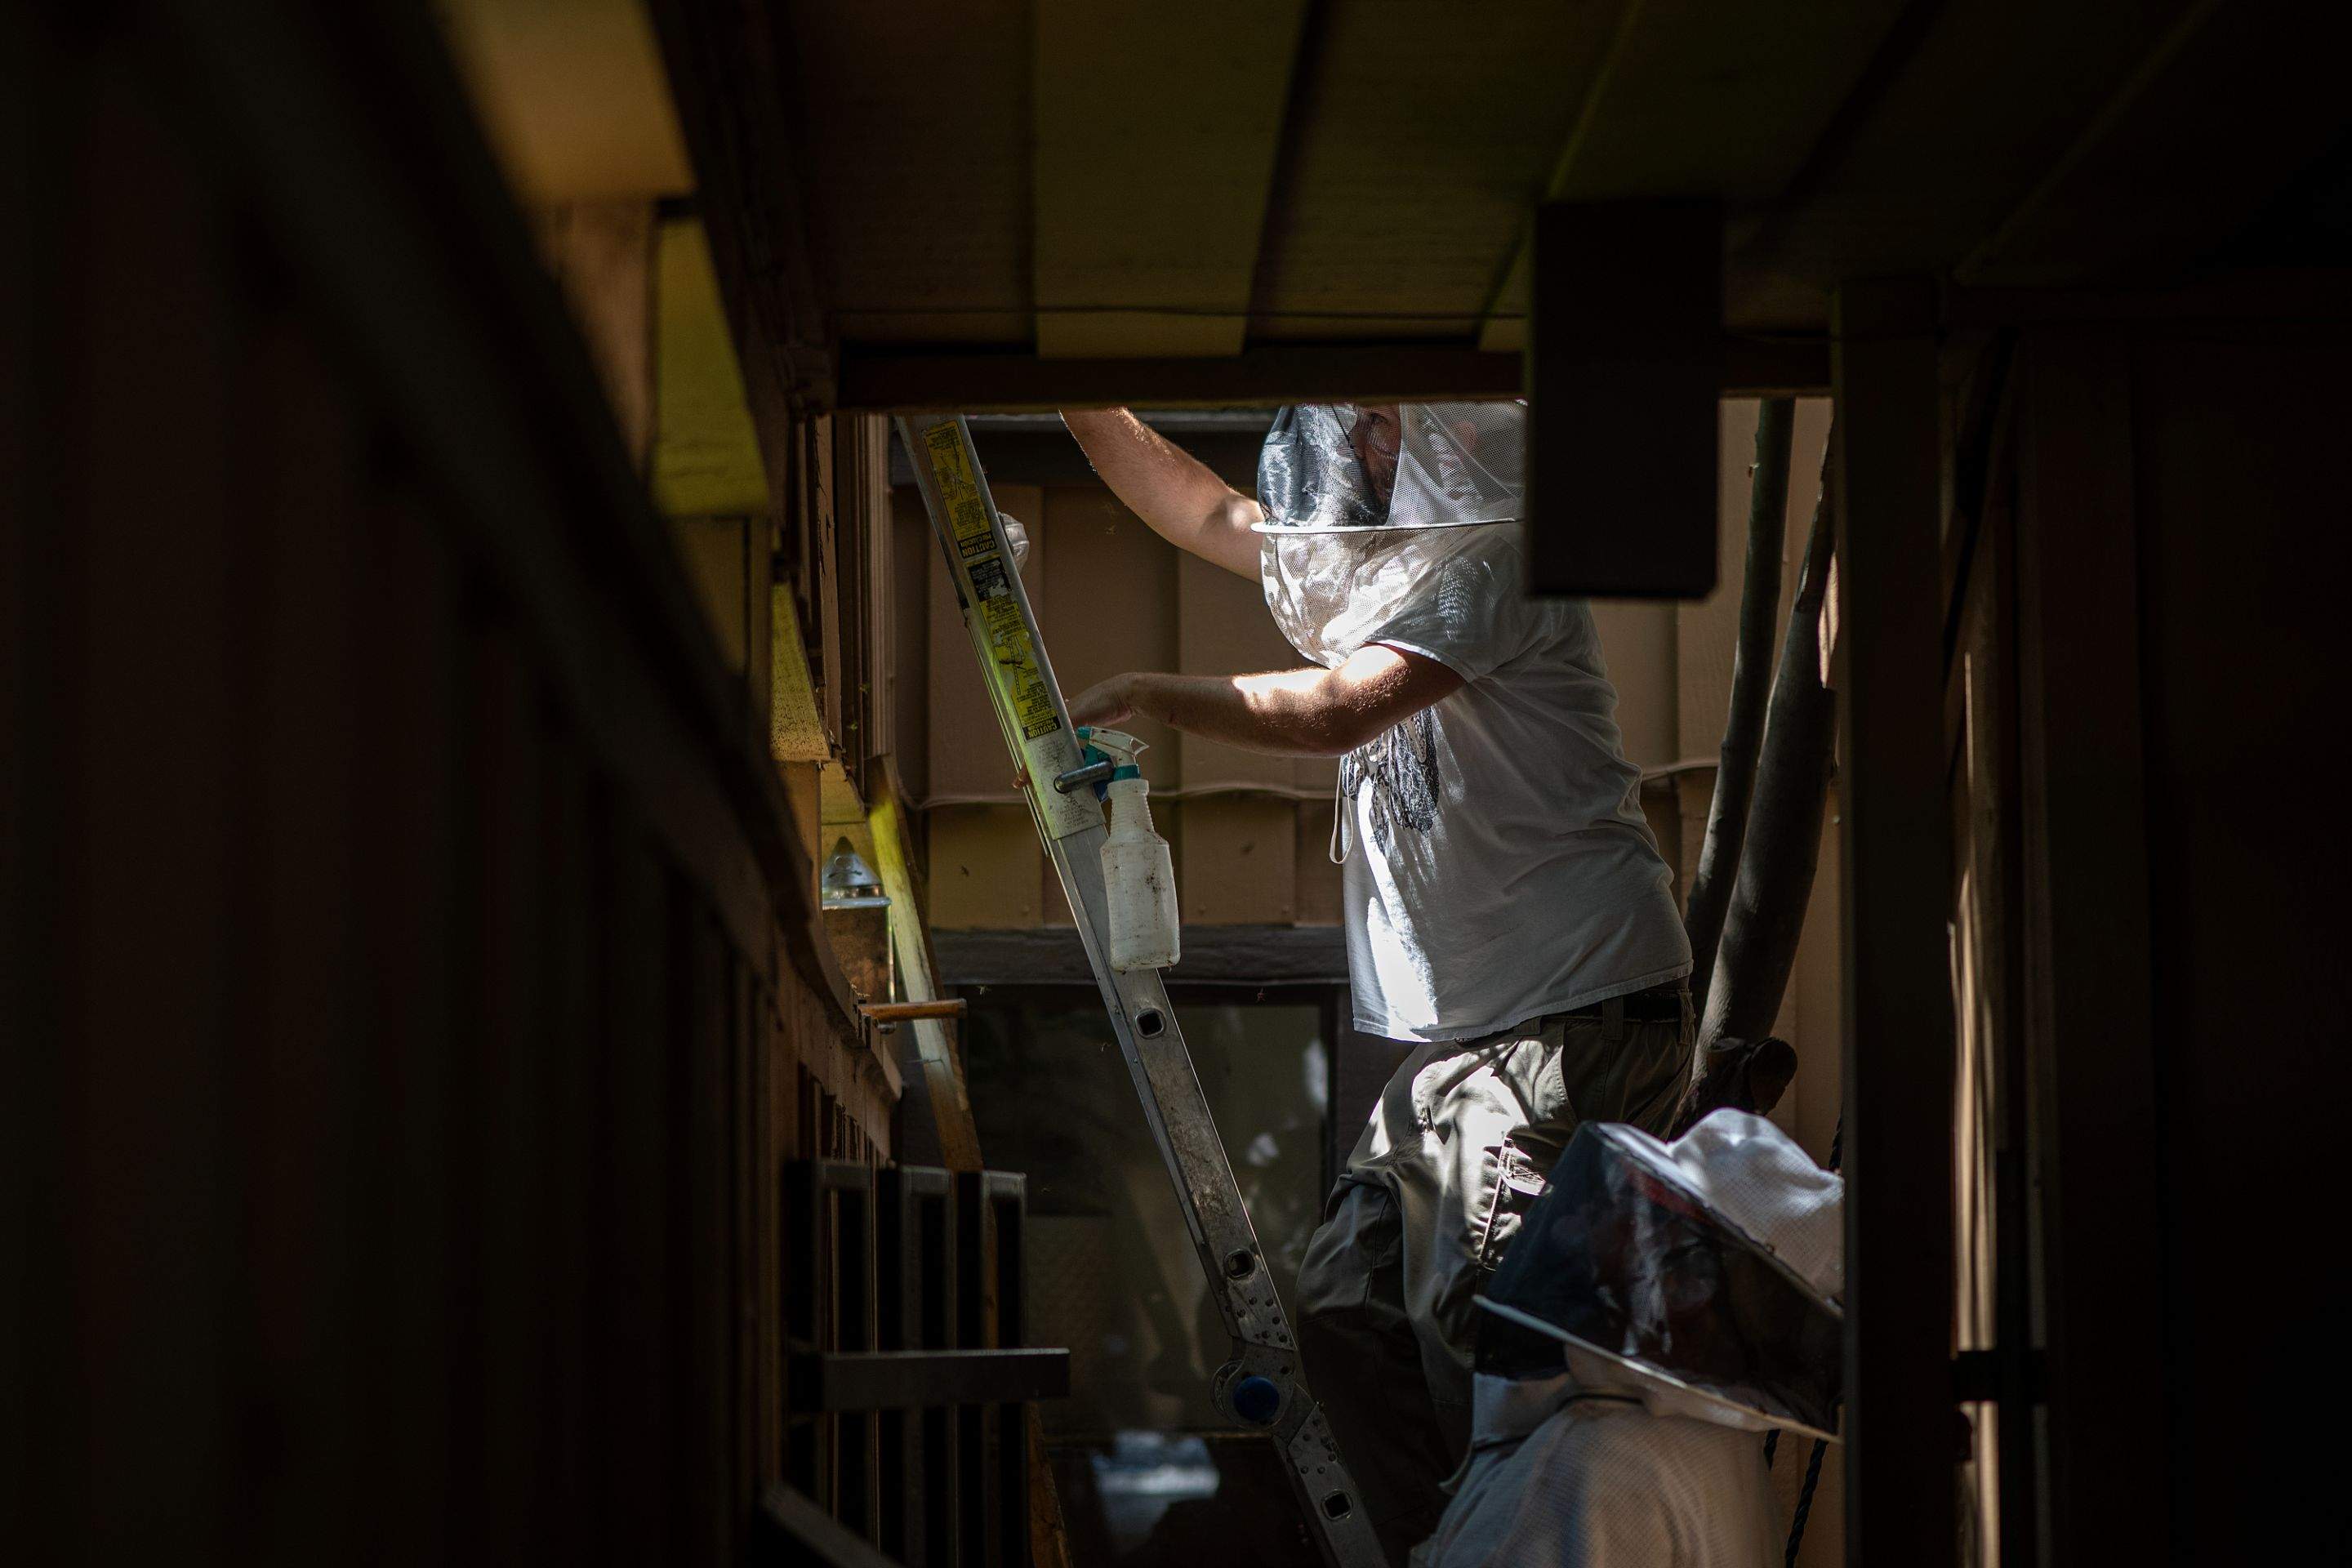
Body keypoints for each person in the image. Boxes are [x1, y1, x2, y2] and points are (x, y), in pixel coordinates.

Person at [1060, 403, 1695, 1562]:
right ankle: (1435, 1547)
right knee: (1349, 1311)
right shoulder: (1373, 572)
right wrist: (1083, 399)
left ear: (1431, 444)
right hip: (1467, 1043)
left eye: (1380, 422)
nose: (1355, 438)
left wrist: (1152, 690)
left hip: (1566, 1017)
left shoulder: (1501, 563)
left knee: (1482, 1336)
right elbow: (1202, 510)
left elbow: (1335, 711)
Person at [1414, 1109, 1844, 1567]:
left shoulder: (1592, 1461)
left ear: (1693, 1287)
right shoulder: (1726, 1450)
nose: (1595, 1220)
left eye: (1657, 1216)